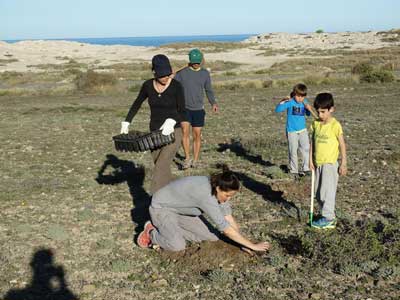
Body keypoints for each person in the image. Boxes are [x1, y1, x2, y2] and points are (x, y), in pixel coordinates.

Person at [136, 165, 270, 253]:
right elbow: (226, 229)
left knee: (211, 237)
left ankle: (169, 230)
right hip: (162, 208)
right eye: (227, 195)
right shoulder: (206, 196)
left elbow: (228, 218)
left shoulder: (219, 188)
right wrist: (253, 246)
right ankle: (152, 233)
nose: (228, 199)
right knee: (177, 246)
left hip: (181, 211)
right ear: (218, 189)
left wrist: (244, 242)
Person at [120, 54, 186, 194]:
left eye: (168, 74)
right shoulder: (148, 85)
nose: (166, 78)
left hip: (174, 132)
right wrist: (126, 122)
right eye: (162, 75)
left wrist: (172, 120)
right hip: (154, 134)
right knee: (161, 167)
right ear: (154, 73)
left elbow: (183, 110)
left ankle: (155, 201)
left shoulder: (176, 86)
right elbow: (137, 103)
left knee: (160, 167)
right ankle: (174, 194)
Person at [174, 48, 218, 169]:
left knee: (197, 134)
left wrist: (213, 103)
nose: (196, 64)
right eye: (194, 62)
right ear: (190, 61)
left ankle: (196, 160)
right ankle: (187, 158)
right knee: (184, 132)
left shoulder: (205, 73)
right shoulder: (182, 73)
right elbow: (173, 85)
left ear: (201, 61)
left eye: (198, 62)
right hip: (184, 108)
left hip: (198, 109)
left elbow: (208, 89)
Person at [309, 93, 347, 229]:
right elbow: (312, 143)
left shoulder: (335, 125)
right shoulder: (315, 124)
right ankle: (325, 215)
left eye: (323, 112)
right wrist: (310, 160)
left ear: (331, 109)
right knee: (318, 192)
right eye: (318, 111)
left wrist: (343, 163)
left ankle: (329, 218)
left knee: (327, 191)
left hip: (330, 164)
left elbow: (342, 144)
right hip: (317, 163)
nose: (320, 115)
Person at [275, 83, 313, 178]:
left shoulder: (304, 102)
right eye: (298, 96)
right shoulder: (290, 102)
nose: (300, 98)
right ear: (294, 94)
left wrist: (308, 109)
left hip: (303, 130)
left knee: (306, 149)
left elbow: (308, 114)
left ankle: (306, 168)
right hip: (292, 131)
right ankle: (294, 170)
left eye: (303, 96)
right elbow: (278, 110)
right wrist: (283, 101)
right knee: (293, 151)